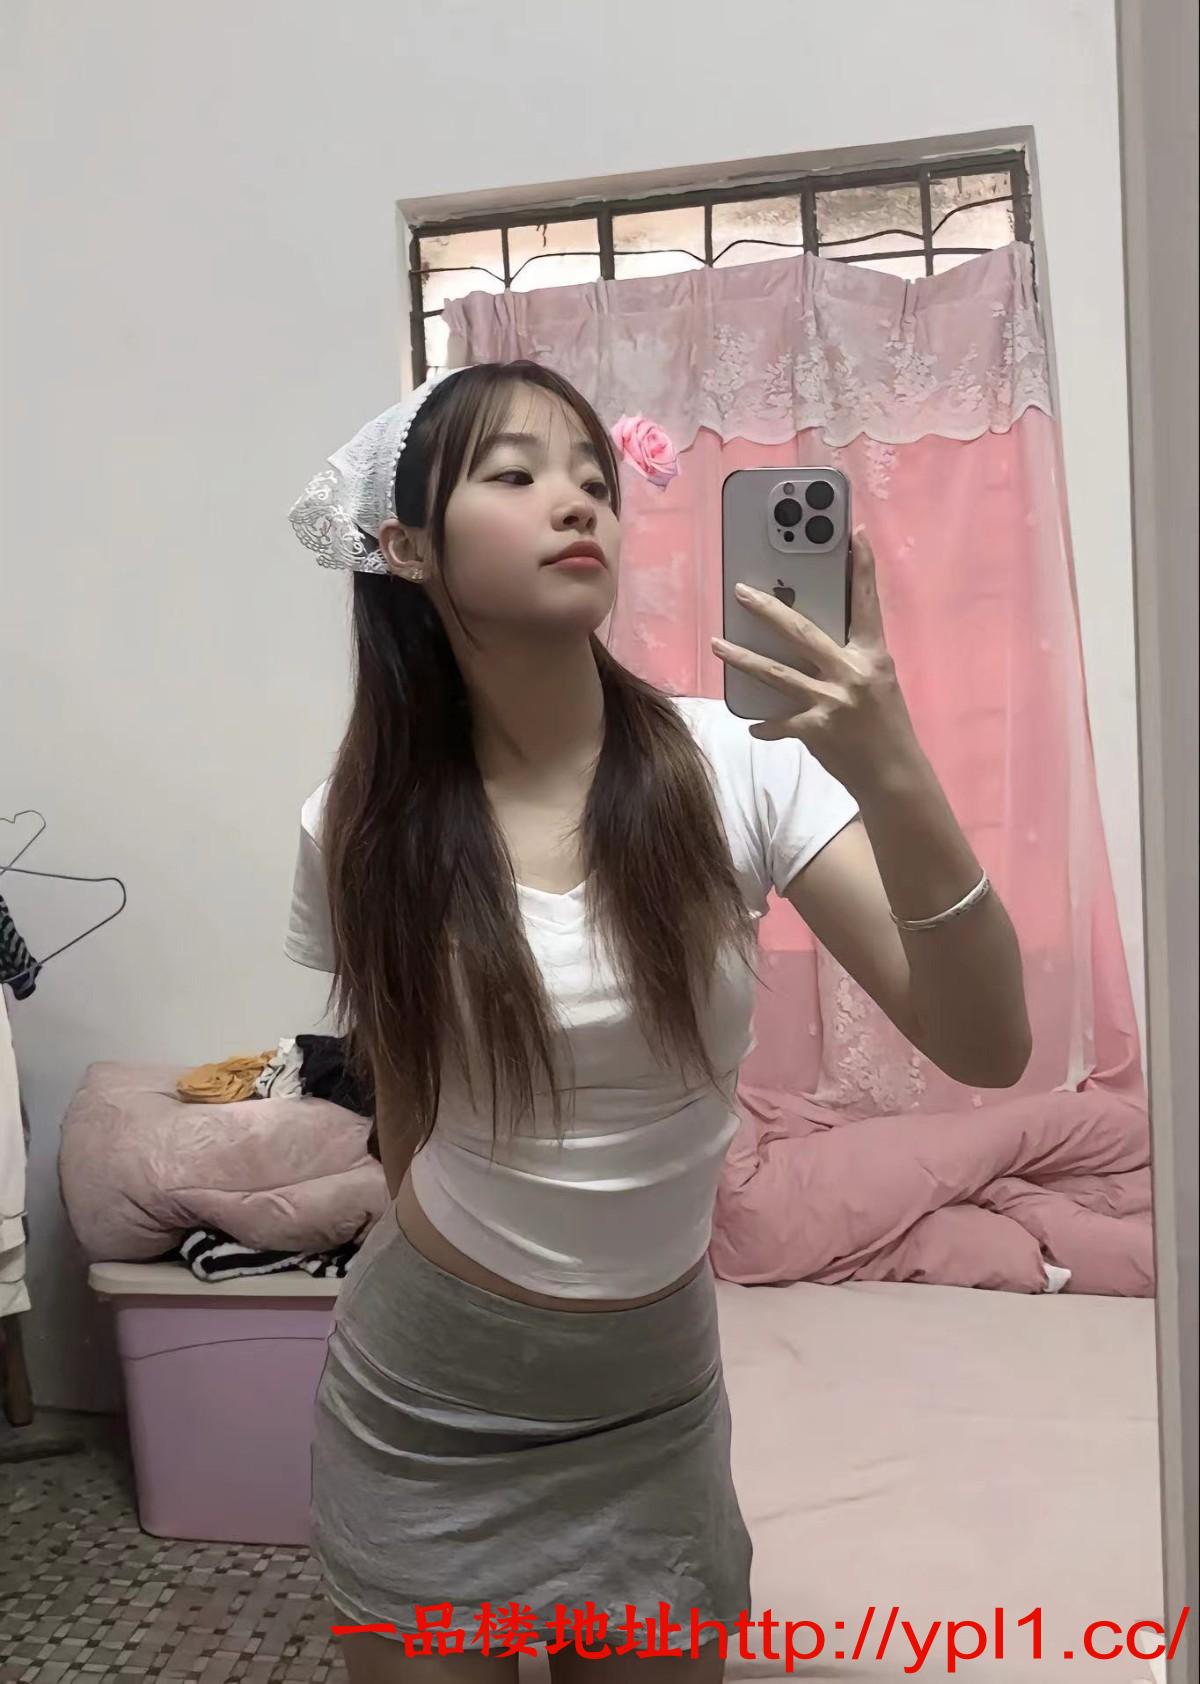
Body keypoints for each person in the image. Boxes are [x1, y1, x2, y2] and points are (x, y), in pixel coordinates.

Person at [284, 360, 1031, 1684]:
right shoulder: (355, 825)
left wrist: (891, 761)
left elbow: (988, 1045)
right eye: (516, 475)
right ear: (407, 548)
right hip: (426, 1401)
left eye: (594, 477)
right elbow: (401, 1093)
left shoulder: (733, 765)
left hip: (649, 1406)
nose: (578, 502)